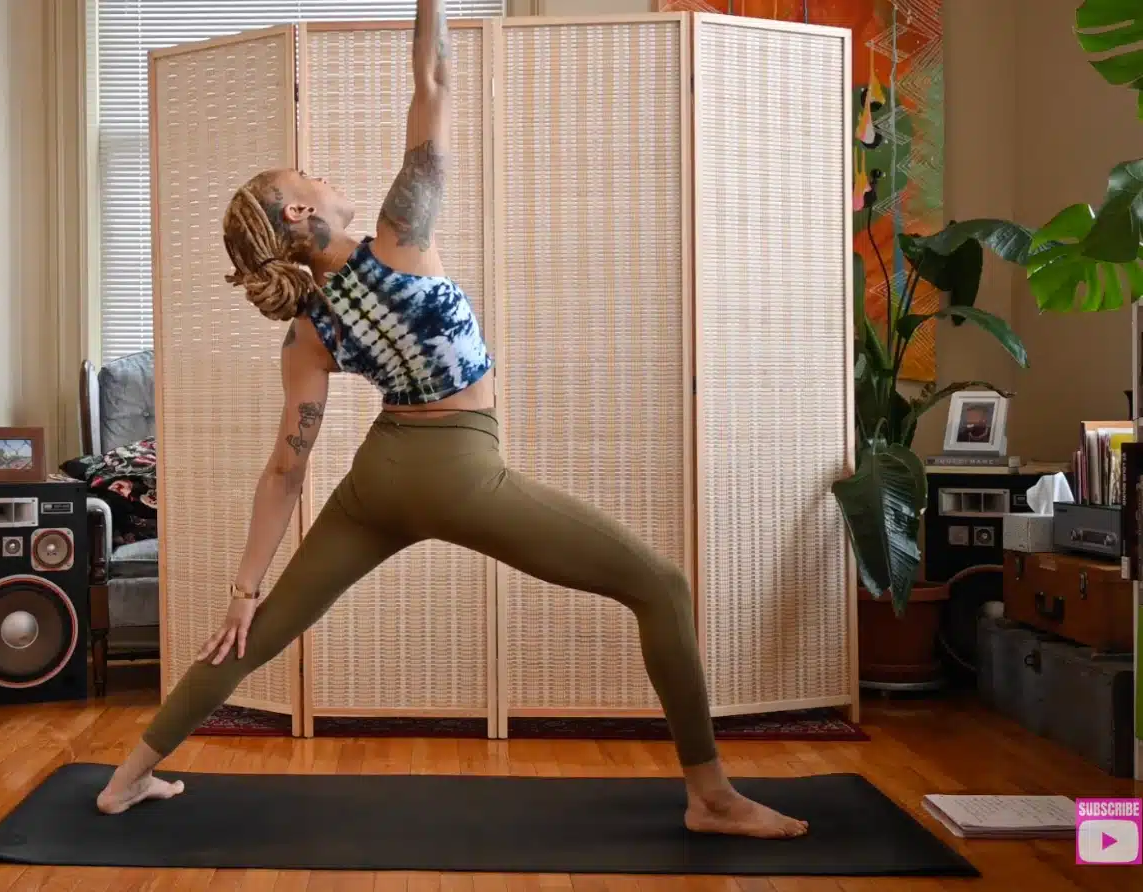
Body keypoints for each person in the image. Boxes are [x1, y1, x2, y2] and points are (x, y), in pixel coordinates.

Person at [95, 0, 808, 840]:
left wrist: (245, 589)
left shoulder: (307, 332)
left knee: (256, 632)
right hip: (460, 473)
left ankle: (126, 780)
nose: (324, 177)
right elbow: (433, 77)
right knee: (661, 586)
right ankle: (711, 795)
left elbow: (287, 467)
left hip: (380, 480)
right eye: (310, 177)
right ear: (298, 215)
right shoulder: (402, 231)